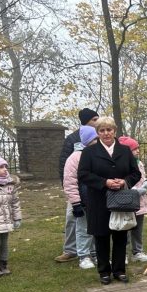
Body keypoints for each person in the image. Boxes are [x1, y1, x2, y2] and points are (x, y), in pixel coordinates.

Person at [78, 116, 141, 284]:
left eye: (109, 130)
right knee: (102, 236)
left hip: (120, 199)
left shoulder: (125, 151)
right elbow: (83, 175)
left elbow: (136, 173)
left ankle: (119, 270)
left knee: (120, 235)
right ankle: (104, 271)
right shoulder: (89, 152)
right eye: (102, 130)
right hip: (99, 200)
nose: (106, 133)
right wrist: (104, 182)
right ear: (98, 133)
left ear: (114, 131)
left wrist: (124, 181)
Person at [55, 107, 99, 263]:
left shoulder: (99, 136)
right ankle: (71, 250)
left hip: (92, 193)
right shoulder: (73, 139)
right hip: (75, 189)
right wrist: (69, 191)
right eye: (94, 119)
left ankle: (92, 251)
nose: (97, 122)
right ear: (86, 121)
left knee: (92, 222)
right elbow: (65, 165)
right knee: (72, 218)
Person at [63, 126, 98, 269]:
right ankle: (83, 256)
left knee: (97, 228)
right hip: (83, 200)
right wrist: (76, 203)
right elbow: (70, 182)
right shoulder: (75, 157)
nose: (97, 141)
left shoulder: (98, 153)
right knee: (83, 228)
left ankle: (95, 253)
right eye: (94, 139)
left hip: (97, 199)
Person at [117, 136, 147, 262]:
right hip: (128, 201)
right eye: (134, 149)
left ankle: (138, 251)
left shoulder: (140, 163)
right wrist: (133, 191)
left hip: (140, 201)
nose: (137, 151)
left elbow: (143, 178)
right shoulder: (122, 164)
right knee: (126, 227)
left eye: (138, 148)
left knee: (138, 228)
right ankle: (123, 254)